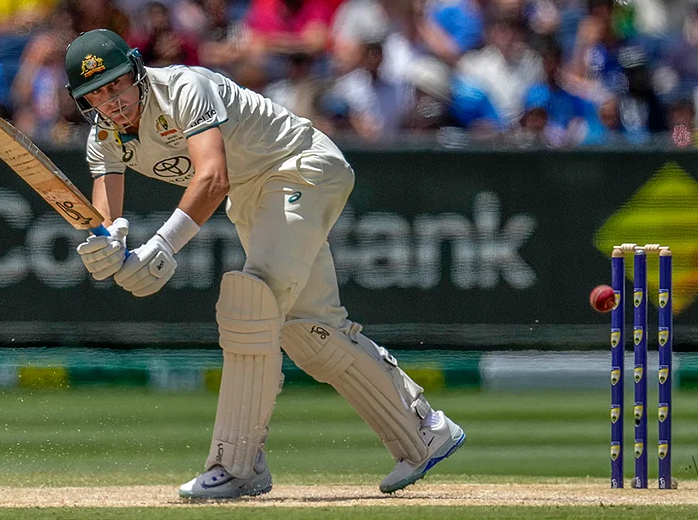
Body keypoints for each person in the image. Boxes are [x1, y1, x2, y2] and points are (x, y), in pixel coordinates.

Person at [65, 28, 466, 499]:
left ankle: (236, 463)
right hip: (253, 199)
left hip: (300, 166)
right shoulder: (104, 137)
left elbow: (213, 176)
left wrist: (163, 246)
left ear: (135, 71)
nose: (112, 102)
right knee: (308, 331)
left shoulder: (183, 88)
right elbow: (106, 216)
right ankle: (423, 432)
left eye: (117, 85)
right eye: (98, 93)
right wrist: (107, 245)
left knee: (250, 304)